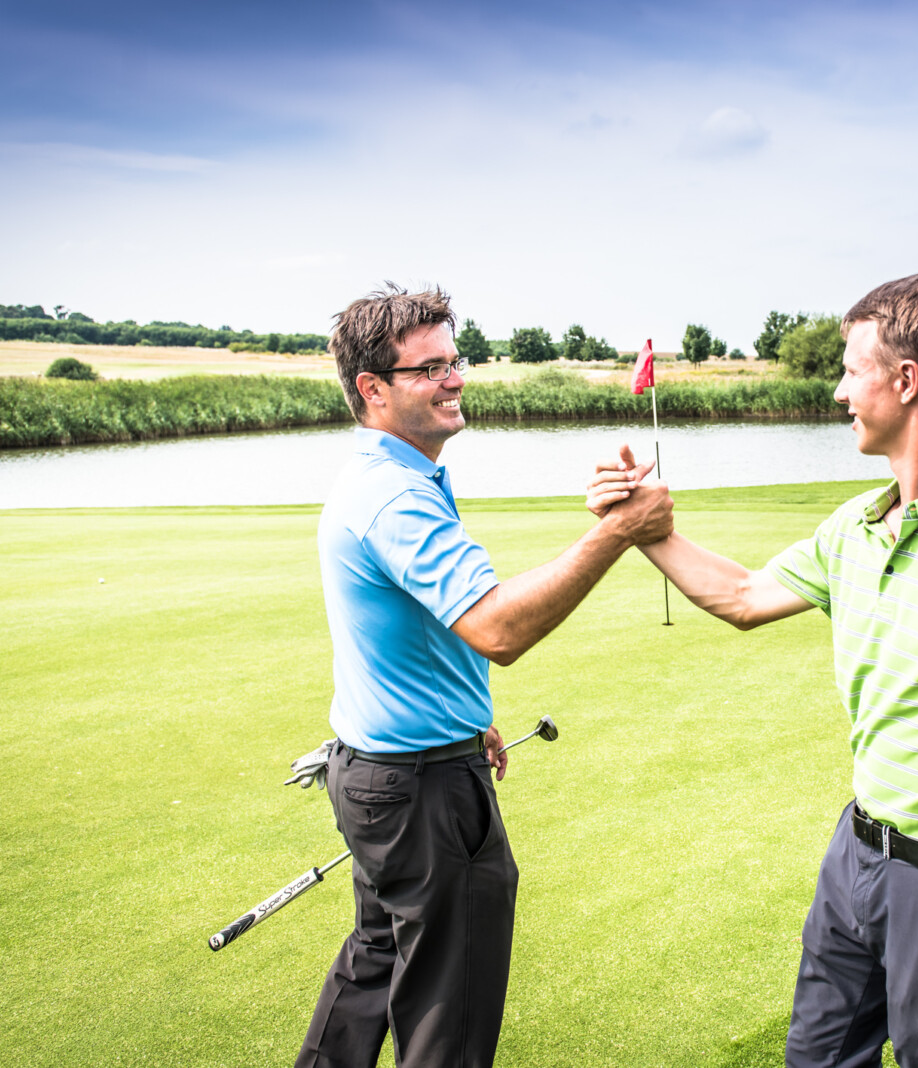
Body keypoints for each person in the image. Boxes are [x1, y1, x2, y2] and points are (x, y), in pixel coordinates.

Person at [587, 273, 918, 1068]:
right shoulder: (857, 525)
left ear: (906, 381)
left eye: (850, 369)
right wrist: (644, 528)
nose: (836, 391)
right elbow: (742, 595)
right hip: (855, 854)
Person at [298, 284, 673, 1068]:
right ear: (373, 389)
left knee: (374, 962)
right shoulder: (395, 494)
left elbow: (424, 627)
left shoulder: (394, 473)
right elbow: (498, 627)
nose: (455, 378)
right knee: (451, 1010)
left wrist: (467, 713)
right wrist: (617, 533)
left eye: (454, 360)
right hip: (421, 792)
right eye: (429, 368)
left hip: (377, 773)